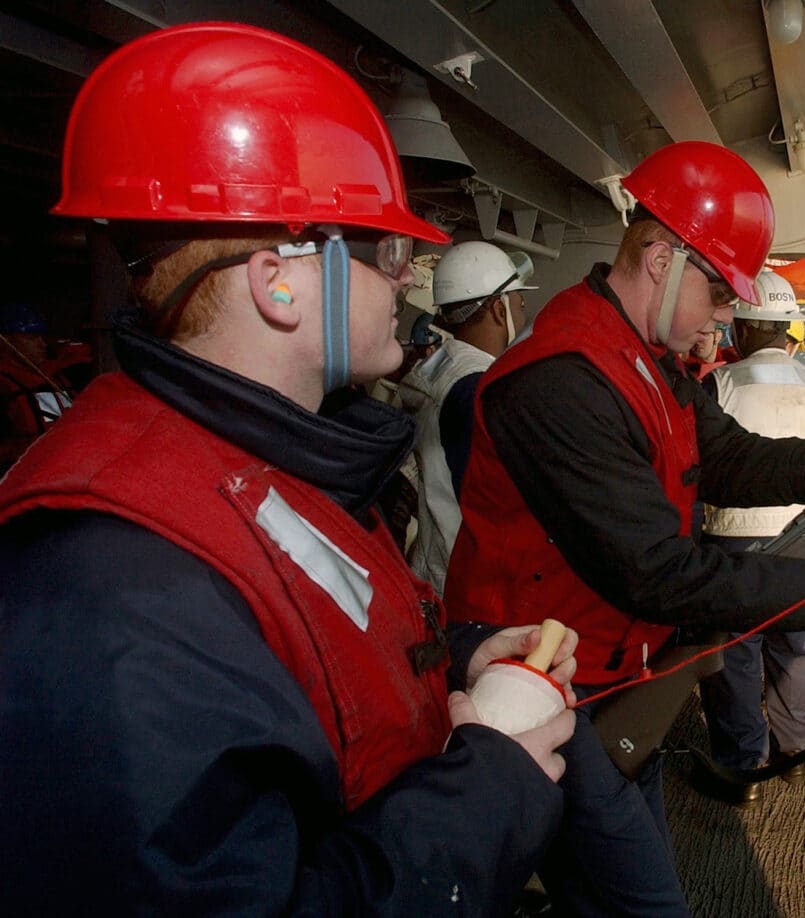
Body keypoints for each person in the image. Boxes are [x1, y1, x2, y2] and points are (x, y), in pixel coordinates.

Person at [0, 23, 576, 914]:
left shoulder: (268, 452)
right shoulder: (111, 587)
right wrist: (485, 794)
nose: (407, 281)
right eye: (389, 254)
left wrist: (450, 660)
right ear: (280, 284)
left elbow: (292, 652)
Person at [442, 139, 805, 915]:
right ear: (660, 256)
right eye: (717, 289)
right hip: (550, 689)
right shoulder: (564, 379)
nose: (726, 311)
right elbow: (656, 572)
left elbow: (730, 456)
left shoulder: (647, 360)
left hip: (622, 682)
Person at [695, 269, 805, 807]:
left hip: (732, 542)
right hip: (803, 544)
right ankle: (797, 750)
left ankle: (742, 767)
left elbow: (695, 474)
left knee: (735, 656)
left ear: (739, 332)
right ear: (793, 333)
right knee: (794, 646)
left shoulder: (716, 385)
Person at [397, 241, 533, 594]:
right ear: (499, 311)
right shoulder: (478, 391)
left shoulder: (439, 365)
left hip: (433, 563)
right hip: (467, 584)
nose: (523, 311)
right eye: (520, 301)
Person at [0, 302, 93, 472]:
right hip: (26, 476)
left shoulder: (57, 375)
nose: (42, 344)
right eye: (31, 337)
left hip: (70, 467)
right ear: (7, 341)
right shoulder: (4, 387)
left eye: (42, 337)